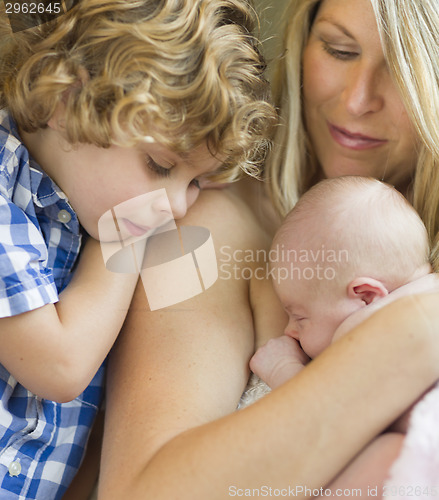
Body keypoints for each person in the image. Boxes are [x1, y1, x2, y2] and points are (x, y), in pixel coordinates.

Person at [98, 1, 439, 499]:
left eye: (404, 64)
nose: (358, 99)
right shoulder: (203, 229)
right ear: (302, 45)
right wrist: (412, 333)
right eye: (338, 49)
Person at [0, 0, 275, 498]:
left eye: (197, 182)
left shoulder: (82, 205)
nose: (175, 205)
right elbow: (59, 366)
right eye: (160, 165)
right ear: (66, 100)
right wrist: (129, 237)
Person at [250, 176, 438, 495]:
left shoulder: (372, 325)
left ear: (365, 296)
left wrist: (284, 369)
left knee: (377, 460)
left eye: (300, 316)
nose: (289, 330)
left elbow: (326, 415)